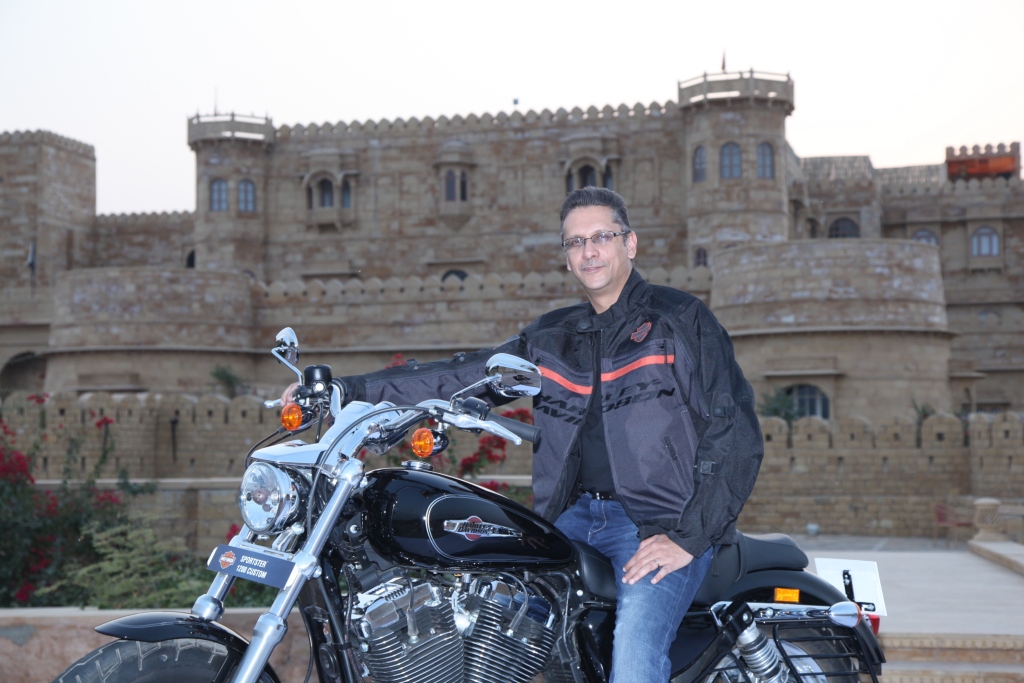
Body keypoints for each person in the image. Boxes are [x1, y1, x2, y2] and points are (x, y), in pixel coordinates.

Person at [326, 187, 763, 682]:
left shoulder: (679, 320)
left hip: (659, 525)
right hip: (568, 520)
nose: (589, 251)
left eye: (601, 237)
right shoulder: (553, 337)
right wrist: (346, 390)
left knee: (634, 654)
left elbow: (735, 433)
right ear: (567, 257)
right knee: (496, 628)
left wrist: (688, 537)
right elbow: (462, 376)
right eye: (576, 242)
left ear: (630, 243)